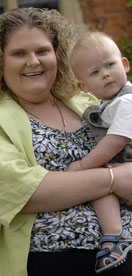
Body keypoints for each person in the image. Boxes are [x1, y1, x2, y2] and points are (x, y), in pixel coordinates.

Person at [0, 7, 132, 276]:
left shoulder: (91, 103)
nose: (33, 61)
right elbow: (20, 191)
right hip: (52, 265)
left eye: (42, 51)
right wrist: (113, 180)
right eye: (19, 54)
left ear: (57, 56)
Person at [68, 31, 132, 274]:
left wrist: (85, 165)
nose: (105, 73)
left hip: (126, 162)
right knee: (99, 185)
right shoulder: (109, 104)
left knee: (95, 179)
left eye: (110, 65)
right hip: (122, 168)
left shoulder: (126, 102)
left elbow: (116, 140)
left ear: (124, 64)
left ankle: (115, 235)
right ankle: (115, 234)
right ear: (84, 87)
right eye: (95, 72)